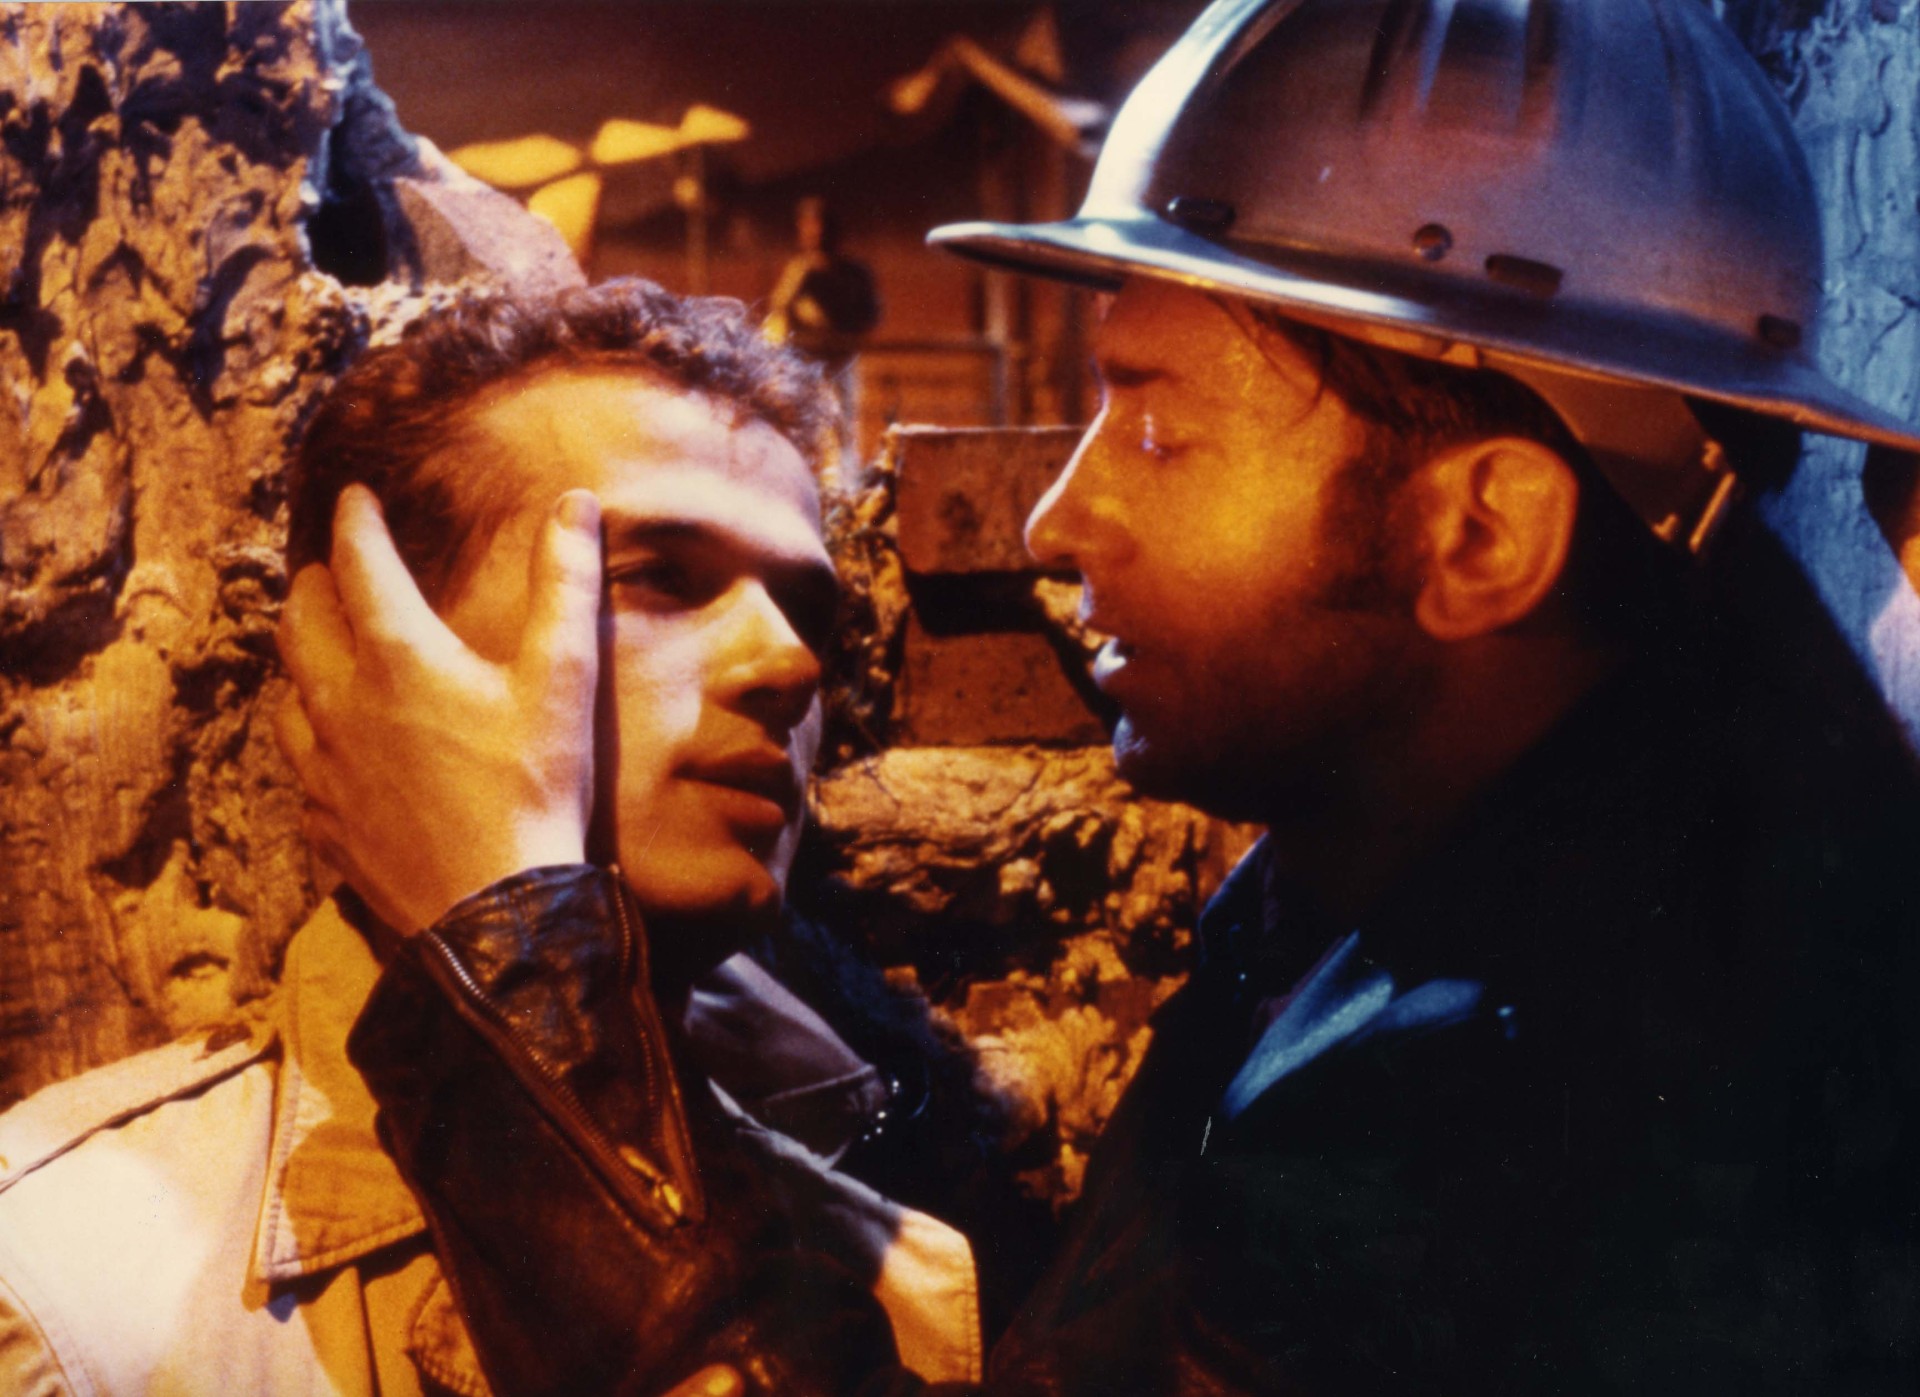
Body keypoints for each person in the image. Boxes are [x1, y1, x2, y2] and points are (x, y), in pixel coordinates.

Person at [287, 0, 1920, 1392]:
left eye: (1154, 425)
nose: (1061, 520)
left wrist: (510, 990)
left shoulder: (1545, 1117)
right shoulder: (1407, 902)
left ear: (1480, 533)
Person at [0, 280, 1004, 1395]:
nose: (789, 664)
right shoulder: (63, 1288)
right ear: (376, 652)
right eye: (659, 577)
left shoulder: (896, 1276)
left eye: (809, 612)